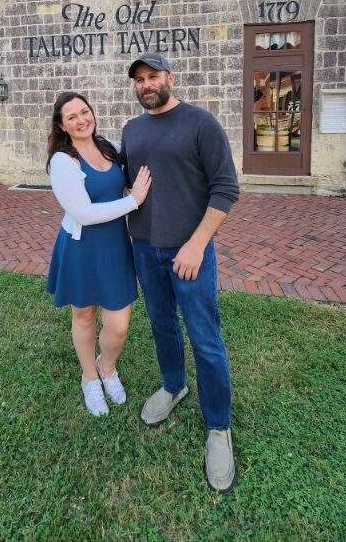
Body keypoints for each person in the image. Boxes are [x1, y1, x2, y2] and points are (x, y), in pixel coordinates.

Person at [121, 55, 240, 493]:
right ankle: (173, 386)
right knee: (161, 325)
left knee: (205, 337)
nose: (146, 84)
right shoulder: (132, 131)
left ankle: (219, 428)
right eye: (139, 79)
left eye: (153, 76)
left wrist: (196, 243)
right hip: (145, 248)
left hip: (190, 252)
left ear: (170, 78)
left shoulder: (200, 124)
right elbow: (128, 187)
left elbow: (226, 187)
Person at [46, 91, 151, 417]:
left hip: (115, 245)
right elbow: (84, 213)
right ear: (62, 126)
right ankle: (89, 377)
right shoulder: (63, 161)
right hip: (82, 247)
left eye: (84, 112)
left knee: (118, 324)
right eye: (72, 117)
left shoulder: (108, 147)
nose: (81, 120)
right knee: (85, 315)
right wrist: (133, 201)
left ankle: (107, 367)